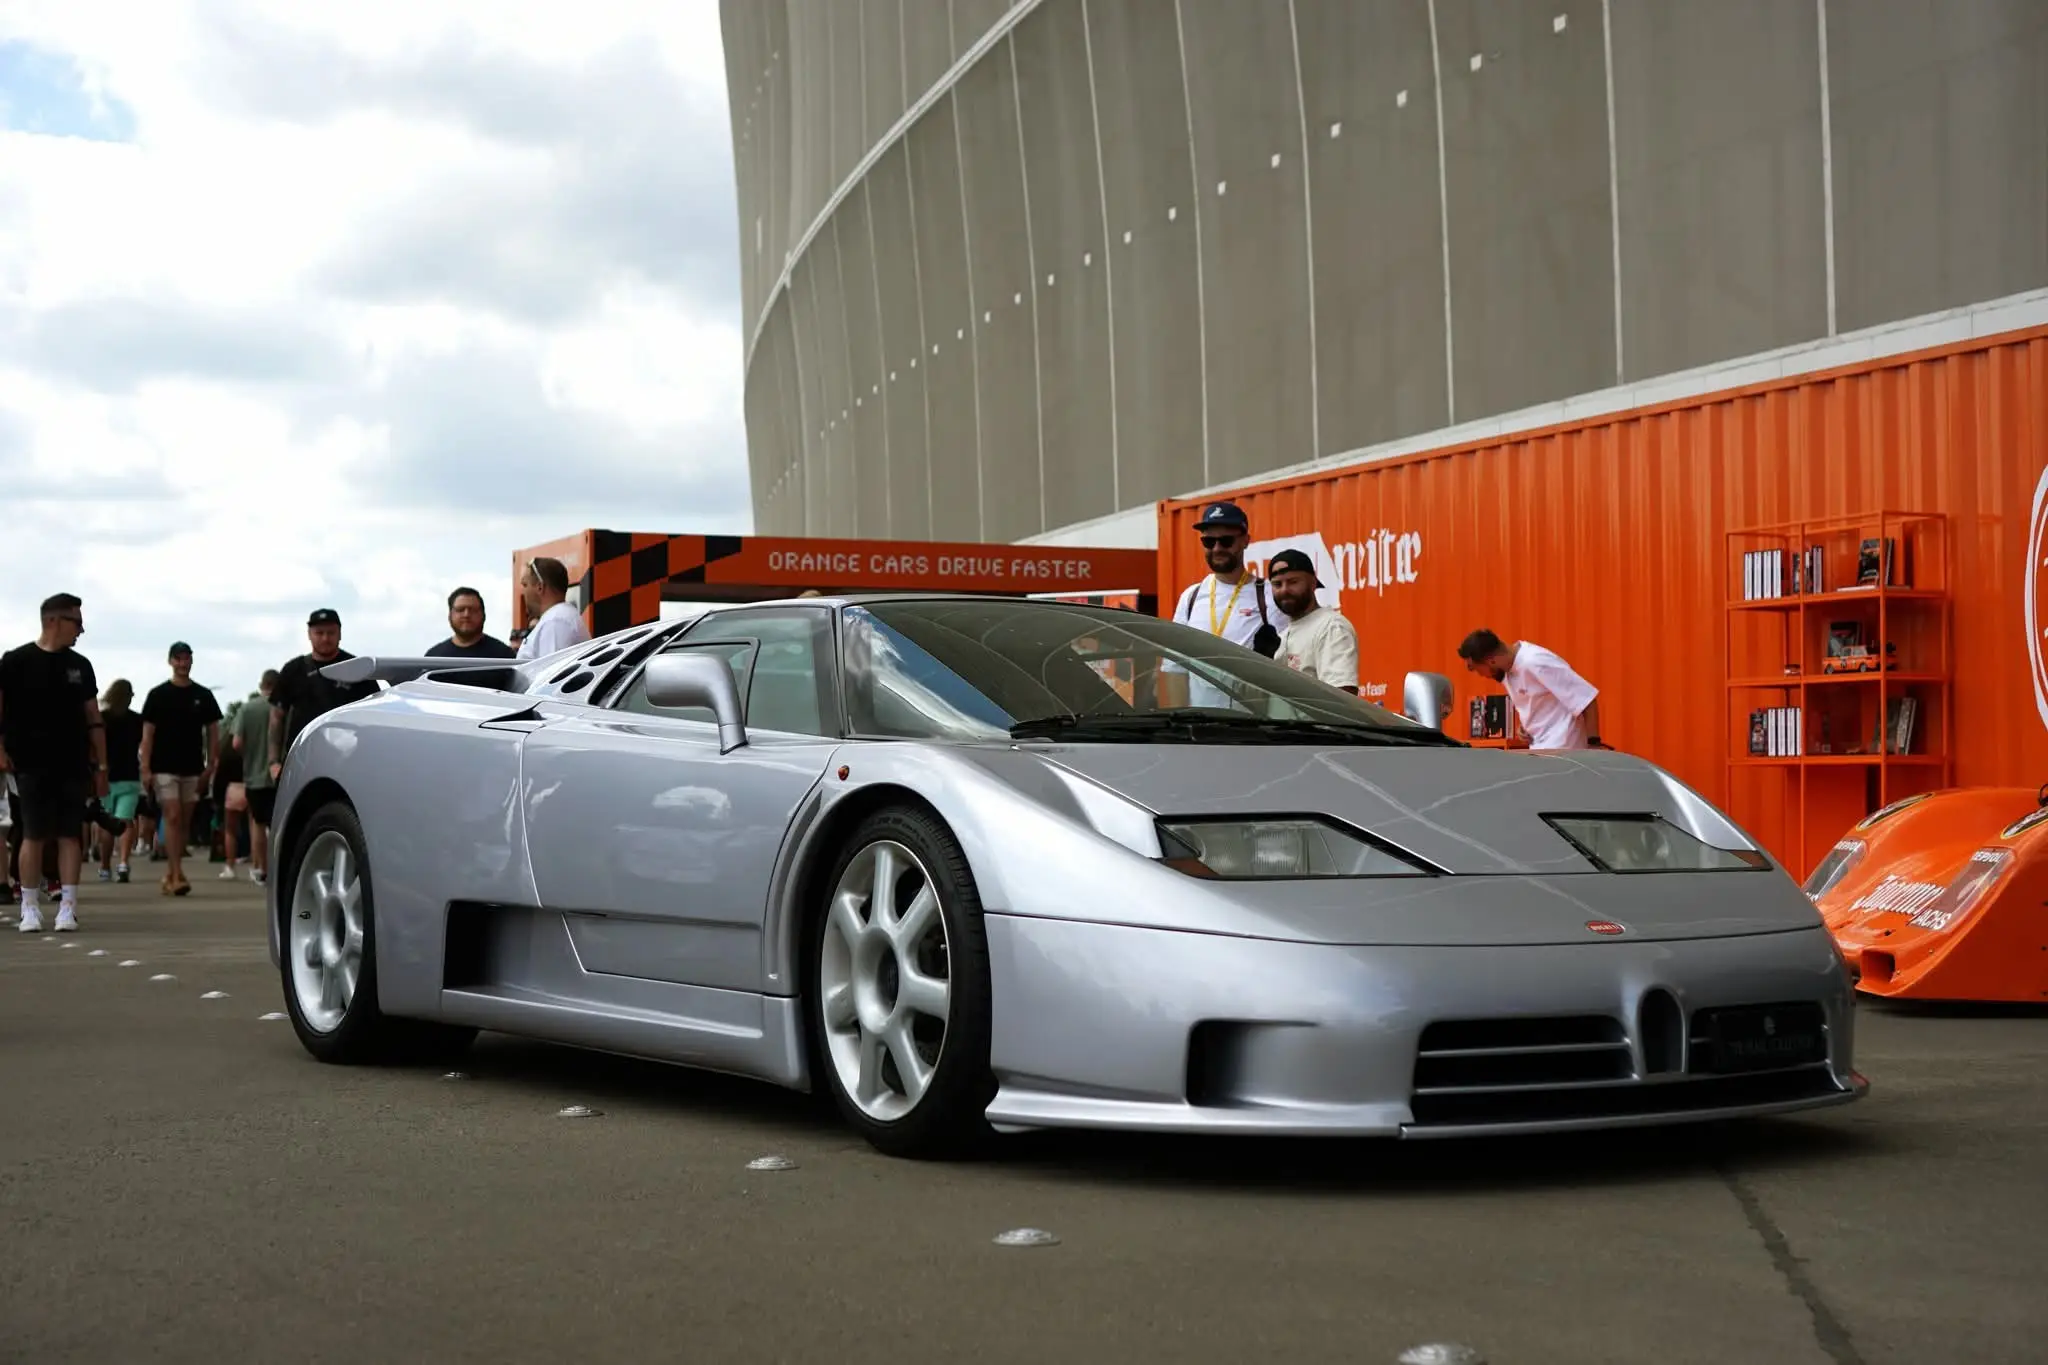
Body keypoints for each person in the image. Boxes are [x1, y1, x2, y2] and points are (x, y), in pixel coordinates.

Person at [0, 593, 107, 932]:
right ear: (53, 621)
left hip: (73, 762)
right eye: (76, 622)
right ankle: (29, 906)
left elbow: (94, 717)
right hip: (28, 763)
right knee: (32, 834)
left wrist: (102, 767)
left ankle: (68, 907)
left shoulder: (80, 666)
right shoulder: (14, 661)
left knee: (69, 835)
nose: (81, 630)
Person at [1161, 501, 1281, 709]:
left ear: (1245, 541)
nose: (1217, 548)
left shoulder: (1268, 594)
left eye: (1226, 541)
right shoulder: (1191, 597)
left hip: (1253, 724)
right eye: (1209, 541)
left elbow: (1287, 665)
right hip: (1201, 723)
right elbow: (1175, 668)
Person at [140, 641, 222, 897]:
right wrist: (145, 767)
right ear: (170, 661)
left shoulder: (203, 695)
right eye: (178, 658)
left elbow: (213, 732)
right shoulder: (158, 695)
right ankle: (176, 874)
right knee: (173, 815)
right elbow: (148, 734)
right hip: (163, 766)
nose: (182, 663)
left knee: (184, 822)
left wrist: (211, 765)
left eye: (186, 658)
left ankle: (172, 871)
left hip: (193, 767)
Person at [269, 608, 379, 775]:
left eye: (331, 633)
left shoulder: (357, 668)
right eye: (319, 633)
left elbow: (373, 717)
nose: (325, 638)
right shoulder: (293, 670)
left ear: (339, 634)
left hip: (347, 761)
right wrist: (273, 762)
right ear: (309, 634)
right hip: (301, 761)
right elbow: (276, 717)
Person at [1456, 628, 1604, 751]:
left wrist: (1594, 745)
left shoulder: (1535, 661)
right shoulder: (1507, 671)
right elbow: (1540, 704)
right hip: (1538, 749)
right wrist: (1526, 727)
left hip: (1564, 751)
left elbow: (1586, 700)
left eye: (1476, 669)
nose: (1481, 675)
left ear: (1492, 661)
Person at [1266, 548, 1359, 695]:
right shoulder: (1282, 636)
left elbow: (1342, 697)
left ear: (1313, 583)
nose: (1284, 590)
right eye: (1277, 584)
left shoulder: (1331, 627)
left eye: (1293, 582)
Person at [95, 678, 145, 882]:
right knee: (126, 821)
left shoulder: (102, 719)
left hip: (105, 775)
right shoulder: (137, 720)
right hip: (130, 775)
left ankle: (105, 866)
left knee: (107, 823)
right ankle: (123, 863)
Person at [232, 669, 279, 884]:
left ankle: (261, 868)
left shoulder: (247, 708)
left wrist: (249, 756)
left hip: (254, 775)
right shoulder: (284, 708)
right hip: (279, 774)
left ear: (262, 685)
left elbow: (236, 743)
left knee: (257, 823)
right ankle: (280, 868)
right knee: (278, 824)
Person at [516, 556, 590, 659]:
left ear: (540, 587)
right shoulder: (558, 617)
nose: (523, 592)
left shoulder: (555, 622)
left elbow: (553, 668)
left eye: (525, 585)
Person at [427, 586, 516, 658]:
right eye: (460, 609)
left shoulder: (504, 656)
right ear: (450, 615)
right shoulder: (433, 657)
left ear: (483, 615)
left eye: (473, 610)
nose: (466, 615)